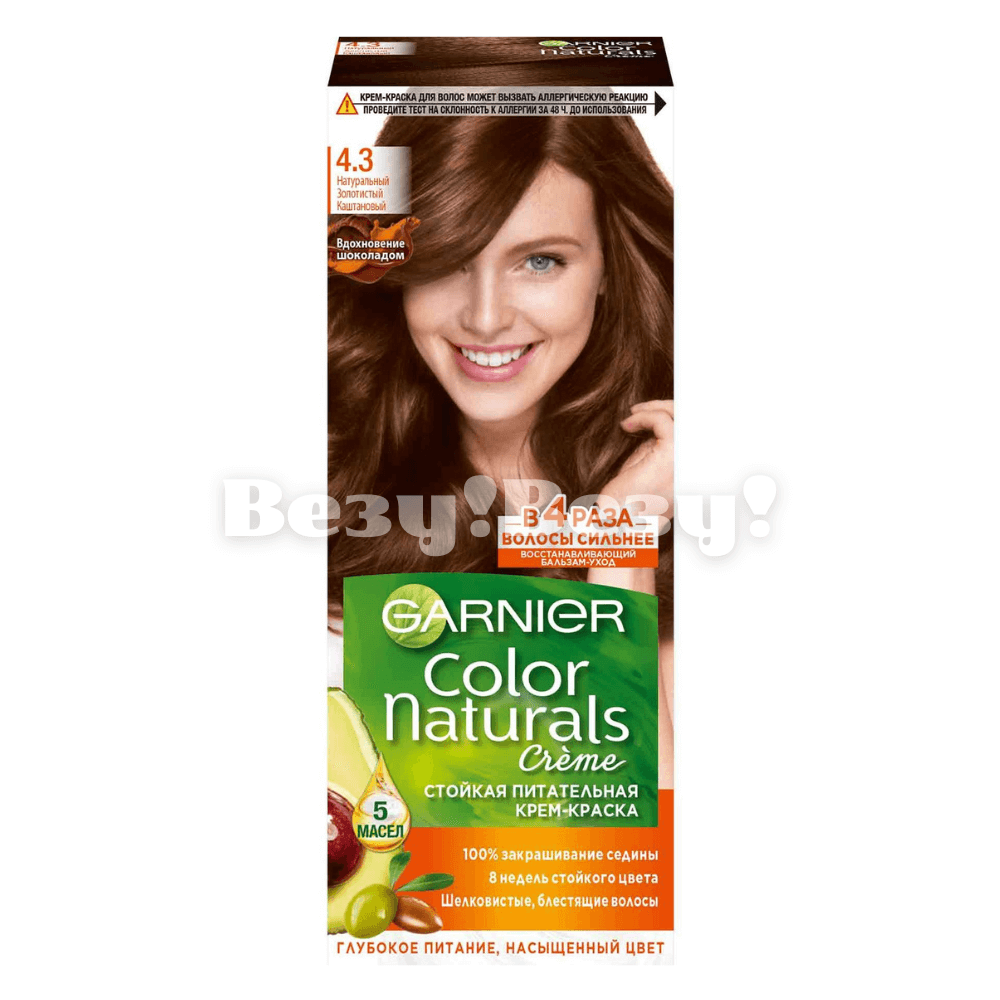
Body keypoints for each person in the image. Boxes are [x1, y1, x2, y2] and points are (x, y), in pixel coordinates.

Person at [328, 114, 674, 785]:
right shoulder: (326, 495)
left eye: (540, 261)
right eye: (447, 258)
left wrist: (618, 544)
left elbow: (633, 841)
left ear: (609, 265)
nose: (485, 318)